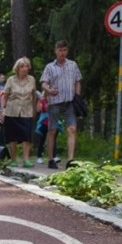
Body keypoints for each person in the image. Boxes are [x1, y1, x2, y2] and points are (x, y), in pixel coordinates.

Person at [40, 40, 82, 169]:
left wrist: (77, 96)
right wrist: (48, 90)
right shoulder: (49, 67)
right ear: (55, 51)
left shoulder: (73, 65)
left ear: (67, 51)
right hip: (54, 103)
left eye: (64, 50)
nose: (62, 53)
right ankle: (51, 158)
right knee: (52, 130)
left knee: (72, 129)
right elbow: (44, 83)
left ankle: (70, 160)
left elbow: (78, 81)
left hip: (70, 102)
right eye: (59, 50)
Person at [0, 57, 37, 168]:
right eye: (22, 66)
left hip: (27, 110)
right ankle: (13, 159)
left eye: (27, 66)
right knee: (12, 136)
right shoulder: (11, 80)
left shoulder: (32, 79)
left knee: (27, 135)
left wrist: (34, 109)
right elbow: (4, 96)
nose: (25, 69)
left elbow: (34, 96)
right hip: (12, 110)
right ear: (17, 68)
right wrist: (2, 111)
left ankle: (26, 160)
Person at [35, 90, 61, 164]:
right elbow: (38, 109)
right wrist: (40, 101)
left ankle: (54, 156)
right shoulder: (42, 100)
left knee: (54, 139)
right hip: (44, 122)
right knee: (42, 139)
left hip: (54, 121)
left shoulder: (55, 101)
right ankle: (39, 156)